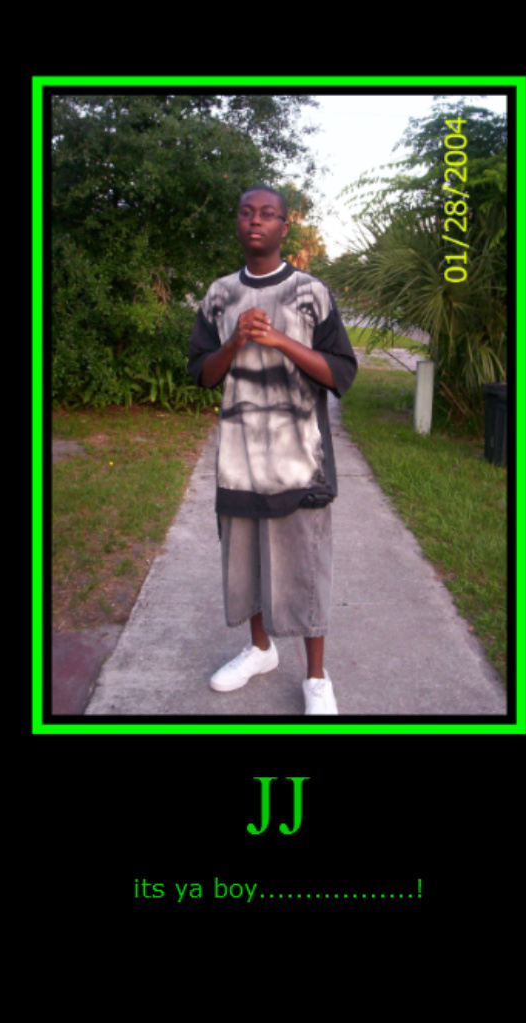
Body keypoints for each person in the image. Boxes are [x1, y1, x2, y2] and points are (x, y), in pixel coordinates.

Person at [187, 185, 357, 714]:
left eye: (267, 214)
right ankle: (260, 650)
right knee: (248, 567)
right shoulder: (218, 295)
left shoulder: (310, 292)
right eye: (246, 213)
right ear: (237, 223)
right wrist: (235, 342)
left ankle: (316, 677)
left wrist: (280, 340)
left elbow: (341, 372)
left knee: (306, 572)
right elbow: (202, 374)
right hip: (239, 464)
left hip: (300, 464)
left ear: (285, 226)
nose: (255, 221)